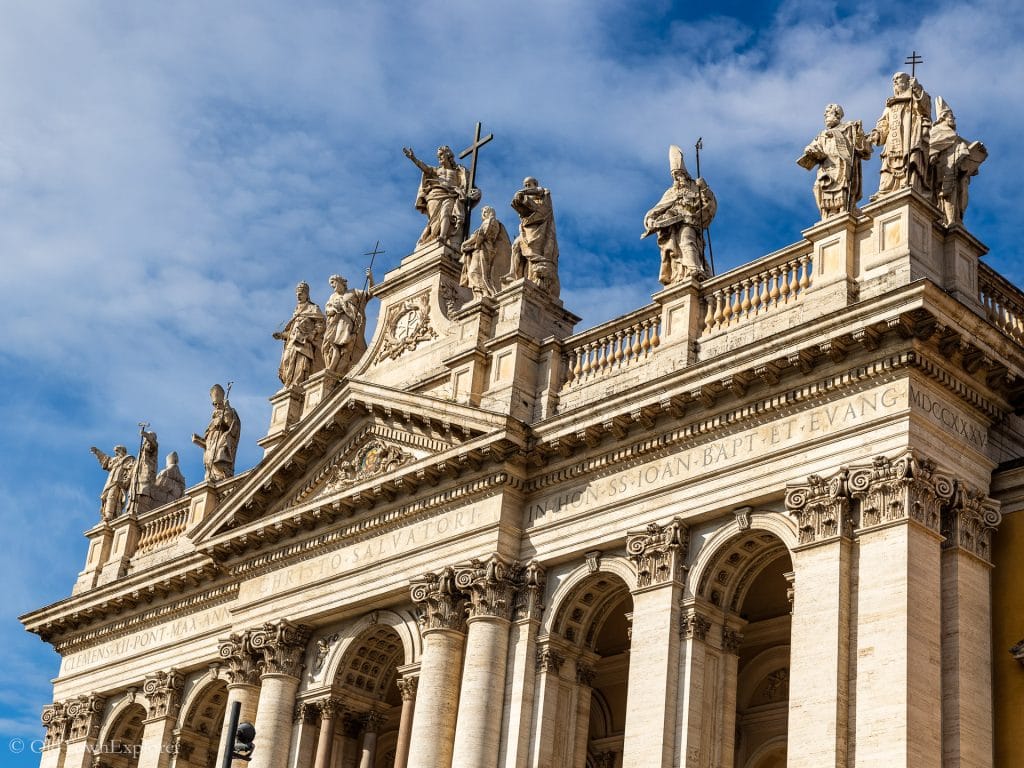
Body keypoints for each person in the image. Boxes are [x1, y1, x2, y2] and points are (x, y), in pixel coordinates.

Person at [642, 145, 717, 285]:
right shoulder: (672, 192)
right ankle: (688, 271)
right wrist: (650, 219)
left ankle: (693, 270)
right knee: (682, 244)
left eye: (679, 174)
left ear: (685, 174)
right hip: (677, 224)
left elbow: (710, 204)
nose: (677, 178)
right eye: (675, 175)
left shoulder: (696, 187)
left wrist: (705, 189)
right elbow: (658, 208)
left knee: (689, 242)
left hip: (692, 222)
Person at [798, 103, 873, 219]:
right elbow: (814, 146)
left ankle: (843, 210)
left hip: (841, 165)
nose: (825, 115)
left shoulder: (848, 128)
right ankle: (827, 214)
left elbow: (864, 150)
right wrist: (810, 150)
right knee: (818, 187)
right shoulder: (822, 134)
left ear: (836, 114)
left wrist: (858, 133)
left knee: (842, 186)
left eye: (827, 112)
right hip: (826, 166)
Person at [403, 145, 480, 250]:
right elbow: (424, 168)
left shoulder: (459, 171)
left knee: (446, 212)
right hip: (435, 195)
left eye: (441, 155)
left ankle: (442, 236)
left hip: (452, 195)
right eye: (438, 156)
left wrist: (476, 192)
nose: (439, 157)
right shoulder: (436, 170)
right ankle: (434, 235)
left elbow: (468, 186)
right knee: (434, 220)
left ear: (447, 155)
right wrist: (413, 158)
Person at [868, 72, 932, 197]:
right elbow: (883, 124)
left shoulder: (914, 99)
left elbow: (925, 109)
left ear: (908, 82)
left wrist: (917, 89)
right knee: (887, 165)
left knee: (910, 160)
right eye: (894, 80)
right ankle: (886, 190)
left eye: (898, 78)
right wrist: (877, 134)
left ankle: (908, 183)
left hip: (910, 138)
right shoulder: (890, 106)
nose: (895, 81)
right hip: (892, 142)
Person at [928, 97, 987, 227]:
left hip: (957, 171)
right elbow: (931, 148)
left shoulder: (956, 137)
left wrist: (975, 156)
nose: (953, 119)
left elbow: (965, 155)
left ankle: (955, 220)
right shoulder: (937, 131)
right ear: (943, 117)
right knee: (945, 195)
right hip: (943, 169)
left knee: (959, 195)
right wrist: (933, 156)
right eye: (951, 116)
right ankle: (949, 221)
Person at [508, 178, 560, 298]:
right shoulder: (529, 197)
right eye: (525, 185)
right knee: (516, 246)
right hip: (527, 229)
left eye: (528, 184)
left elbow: (542, 210)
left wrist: (523, 194)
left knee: (534, 255)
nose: (527, 187)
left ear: (535, 184)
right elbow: (525, 212)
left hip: (539, 231)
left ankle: (533, 280)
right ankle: (513, 274)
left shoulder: (544, 194)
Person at [322, 270, 375, 377]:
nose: (332, 285)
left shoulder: (353, 292)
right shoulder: (332, 297)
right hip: (334, 324)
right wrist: (335, 309)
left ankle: (337, 368)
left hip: (347, 322)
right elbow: (328, 311)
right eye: (330, 283)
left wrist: (370, 279)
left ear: (340, 282)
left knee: (343, 343)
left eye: (333, 282)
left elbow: (370, 293)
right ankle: (333, 367)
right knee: (329, 345)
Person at [273, 282, 326, 389]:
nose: (298, 295)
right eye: (297, 293)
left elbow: (321, 324)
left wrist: (312, 334)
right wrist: (282, 335)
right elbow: (293, 331)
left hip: (304, 343)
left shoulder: (313, 308)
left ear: (307, 294)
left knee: (300, 364)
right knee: (287, 362)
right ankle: (288, 384)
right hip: (292, 343)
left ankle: (296, 385)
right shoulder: (296, 311)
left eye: (301, 293)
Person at [460, 205, 512, 299]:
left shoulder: (490, 222)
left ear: (490, 213)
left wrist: (466, 244)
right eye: (482, 212)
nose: (483, 214)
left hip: (482, 250)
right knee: (478, 273)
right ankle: (481, 294)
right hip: (482, 250)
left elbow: (481, 236)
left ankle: (485, 292)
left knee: (474, 272)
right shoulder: (492, 223)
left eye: (485, 212)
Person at [192, 384, 241, 482]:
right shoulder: (212, 421)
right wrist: (199, 440)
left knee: (218, 465)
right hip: (210, 452)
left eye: (218, 404)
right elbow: (207, 443)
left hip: (220, 446)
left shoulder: (230, 411)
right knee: (210, 462)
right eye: (214, 404)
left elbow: (234, 428)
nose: (216, 406)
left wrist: (226, 413)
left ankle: (220, 477)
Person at [89, 444, 135, 521]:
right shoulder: (115, 460)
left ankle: (109, 516)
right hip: (110, 482)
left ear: (122, 450)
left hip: (118, 483)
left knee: (112, 496)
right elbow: (105, 459)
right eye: (115, 451)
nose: (116, 453)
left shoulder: (128, 459)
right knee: (105, 498)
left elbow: (131, 470)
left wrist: (125, 481)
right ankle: (107, 515)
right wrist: (97, 452)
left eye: (117, 451)